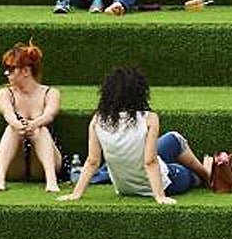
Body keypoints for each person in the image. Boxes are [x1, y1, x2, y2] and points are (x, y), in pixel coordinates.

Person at [59, 67, 212, 206]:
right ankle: (207, 174)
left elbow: (92, 161)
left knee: (173, 139)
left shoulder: (97, 120)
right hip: (164, 182)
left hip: (124, 187)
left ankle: (204, 171)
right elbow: (150, 162)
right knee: (186, 172)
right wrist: (160, 196)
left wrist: (76, 194)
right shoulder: (149, 119)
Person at [0, 42, 63, 193]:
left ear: (25, 71)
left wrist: (34, 124)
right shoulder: (5, 93)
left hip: (42, 162)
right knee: (12, 129)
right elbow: (8, 113)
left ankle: (51, 181)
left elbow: (50, 114)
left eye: (11, 69)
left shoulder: (51, 93)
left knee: (40, 130)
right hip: (15, 164)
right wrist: (19, 125)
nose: (6, 73)